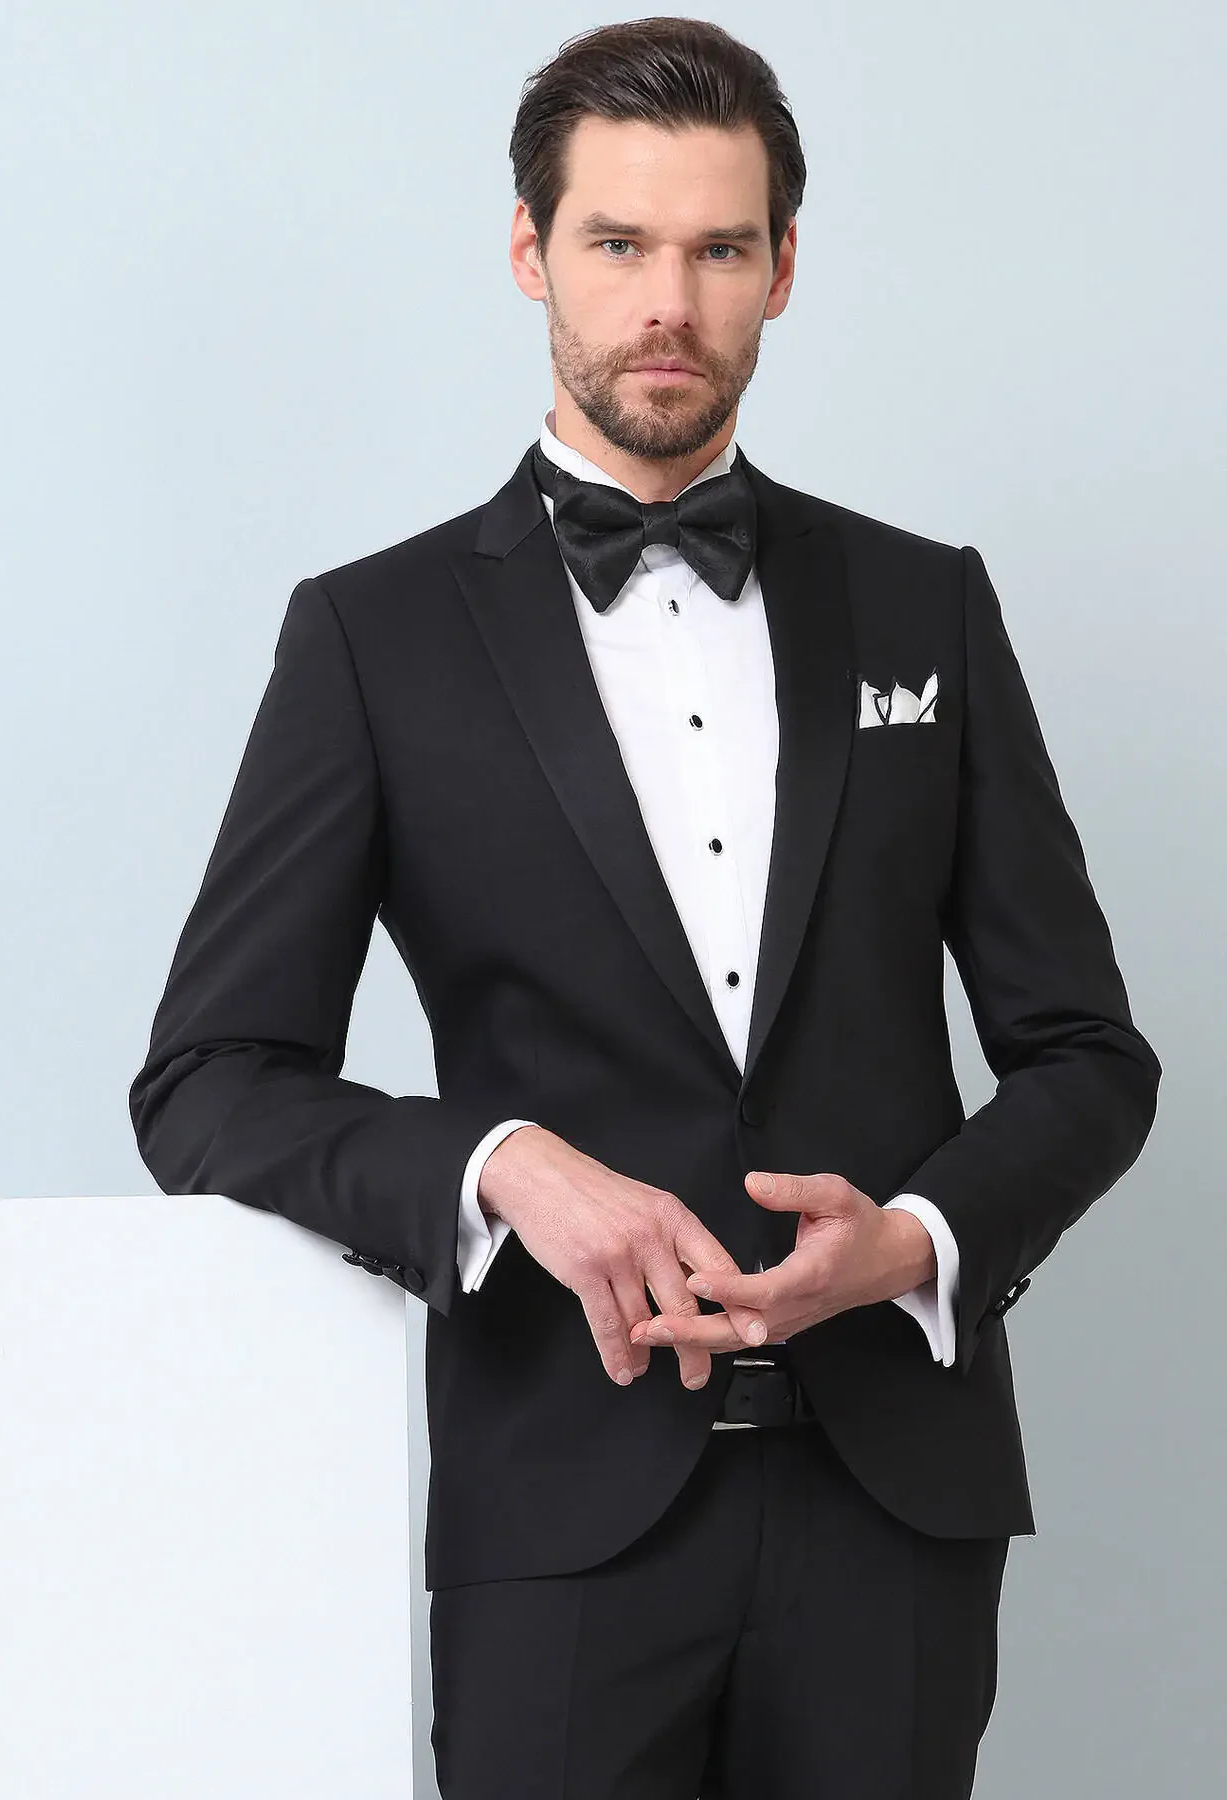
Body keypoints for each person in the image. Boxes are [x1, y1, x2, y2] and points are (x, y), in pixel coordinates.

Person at [127, 17, 1161, 1798]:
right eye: (617, 243)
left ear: (782, 270)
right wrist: (505, 1166)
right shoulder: (372, 638)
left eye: (718, 250)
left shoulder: (926, 607)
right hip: (558, 1517)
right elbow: (207, 1080)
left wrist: (914, 1242)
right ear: (530, 251)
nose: (668, 304)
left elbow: (1089, 1057)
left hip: (894, 1511)